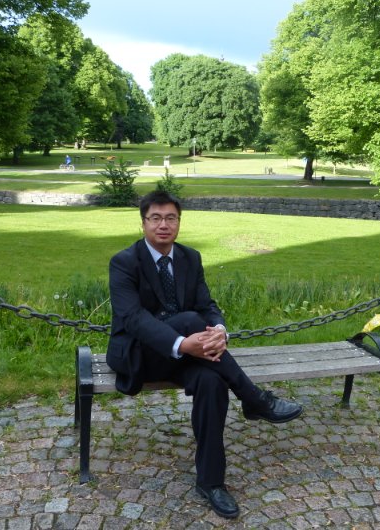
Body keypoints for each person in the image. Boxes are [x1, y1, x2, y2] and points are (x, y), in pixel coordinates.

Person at [107, 190, 303, 519]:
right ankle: (254, 399)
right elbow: (134, 319)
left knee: (212, 382)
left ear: (179, 222)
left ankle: (211, 482)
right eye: (156, 218)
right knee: (187, 320)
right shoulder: (124, 262)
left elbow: (207, 306)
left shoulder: (190, 258)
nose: (163, 225)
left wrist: (219, 332)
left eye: (171, 218)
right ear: (143, 223)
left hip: (190, 355)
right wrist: (183, 344)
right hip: (141, 356)